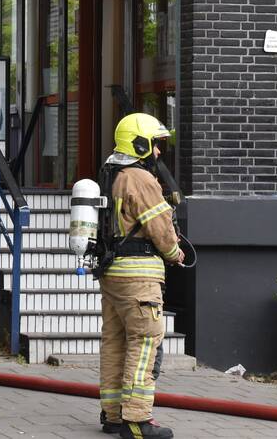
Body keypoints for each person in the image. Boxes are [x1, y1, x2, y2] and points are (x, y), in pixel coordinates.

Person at [98, 113, 184, 439]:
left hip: (113, 275)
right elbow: (161, 228)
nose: (158, 152)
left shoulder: (111, 174)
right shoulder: (141, 179)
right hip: (139, 278)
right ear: (140, 144)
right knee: (145, 343)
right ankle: (136, 421)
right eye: (155, 145)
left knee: (115, 343)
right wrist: (175, 253)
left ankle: (113, 415)